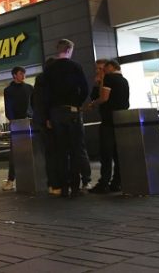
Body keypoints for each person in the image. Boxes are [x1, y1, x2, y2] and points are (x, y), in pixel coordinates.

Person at [44, 39, 89, 198]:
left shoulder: (49, 69)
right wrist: (77, 103)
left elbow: (46, 94)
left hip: (55, 113)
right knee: (75, 148)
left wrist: (48, 115)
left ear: (58, 50)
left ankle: (64, 187)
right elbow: (84, 88)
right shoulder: (75, 66)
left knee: (61, 151)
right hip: (72, 111)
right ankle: (75, 187)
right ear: (69, 50)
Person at [88, 60, 130, 193]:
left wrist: (93, 103)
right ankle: (117, 181)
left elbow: (102, 98)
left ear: (109, 67)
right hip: (120, 119)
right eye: (98, 69)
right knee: (118, 153)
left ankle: (104, 182)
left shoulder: (110, 78)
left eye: (102, 68)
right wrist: (98, 84)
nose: (100, 71)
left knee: (106, 153)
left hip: (109, 120)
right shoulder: (123, 80)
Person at [1, 66, 34, 191]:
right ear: (14, 75)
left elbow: (34, 104)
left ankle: (35, 176)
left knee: (33, 150)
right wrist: (13, 120)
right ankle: (11, 180)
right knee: (15, 152)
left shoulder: (29, 88)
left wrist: (33, 116)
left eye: (24, 73)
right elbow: (8, 107)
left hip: (30, 122)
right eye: (21, 73)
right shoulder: (8, 90)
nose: (23, 75)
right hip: (17, 123)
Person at [31, 57, 61, 195]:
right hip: (50, 120)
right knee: (56, 152)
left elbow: (35, 101)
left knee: (50, 152)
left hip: (44, 120)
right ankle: (56, 183)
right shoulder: (49, 80)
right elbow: (44, 100)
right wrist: (48, 118)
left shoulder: (40, 80)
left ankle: (54, 184)